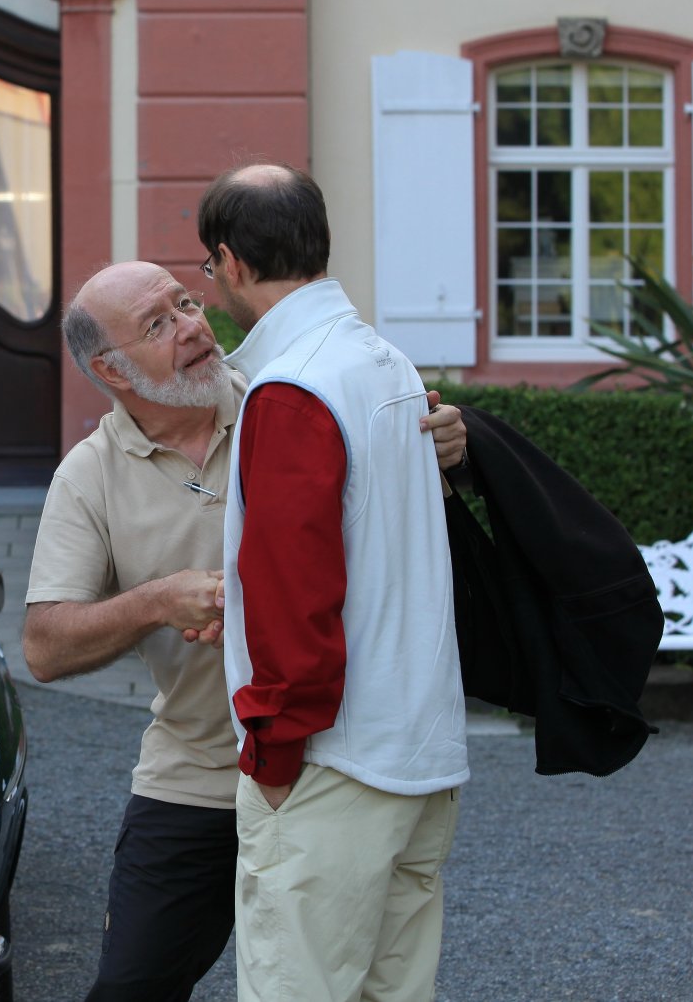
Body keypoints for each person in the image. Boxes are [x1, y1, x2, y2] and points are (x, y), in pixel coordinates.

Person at [23, 260, 467, 1002]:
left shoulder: (290, 394)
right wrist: (157, 601)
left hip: (325, 759)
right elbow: (43, 645)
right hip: (195, 770)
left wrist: (443, 445)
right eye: (158, 324)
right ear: (110, 369)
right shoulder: (88, 476)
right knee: (130, 987)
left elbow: (403, 511)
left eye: (186, 302)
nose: (193, 327)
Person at [200, 163, 468, 1002]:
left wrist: (272, 751)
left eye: (210, 268)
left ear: (231, 261)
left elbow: (293, 590)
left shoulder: (293, 387)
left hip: (333, 762)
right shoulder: (387, 362)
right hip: (419, 748)